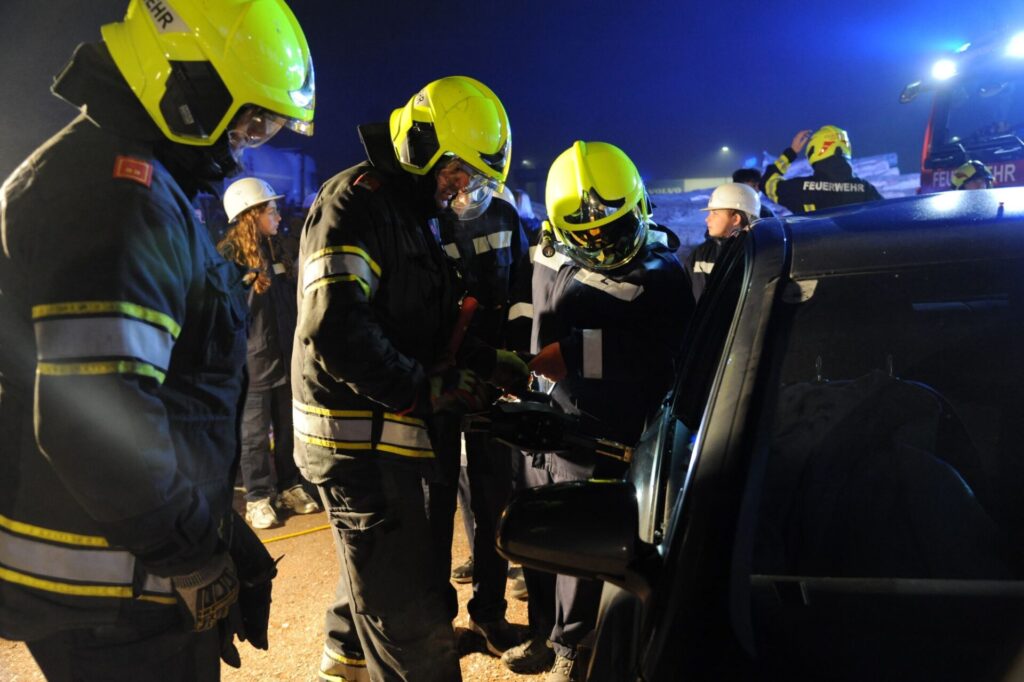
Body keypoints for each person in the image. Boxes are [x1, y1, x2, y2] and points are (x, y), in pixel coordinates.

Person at [0, 1, 315, 679]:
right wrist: (194, 554)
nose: (246, 139)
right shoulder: (119, 197)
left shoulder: (114, 173)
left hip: (118, 570)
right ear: (186, 88)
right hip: (117, 591)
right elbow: (100, 422)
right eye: (247, 118)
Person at [293, 75, 529, 682]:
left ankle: (345, 662)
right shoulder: (358, 203)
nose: (465, 191)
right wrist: (423, 391)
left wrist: (480, 358)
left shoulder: (412, 211)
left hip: (387, 436)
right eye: (459, 174)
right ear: (422, 147)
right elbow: (337, 327)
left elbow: (425, 318)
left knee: (380, 576)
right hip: (356, 445)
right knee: (411, 617)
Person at [501, 141, 694, 682]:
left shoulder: (661, 269)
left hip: (604, 434)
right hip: (544, 422)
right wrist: (515, 357)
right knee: (539, 537)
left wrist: (579, 356)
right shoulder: (545, 250)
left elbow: (670, 355)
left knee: (588, 548)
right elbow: (525, 310)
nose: (602, 246)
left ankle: (576, 646)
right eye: (585, 236)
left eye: (611, 229)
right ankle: (545, 633)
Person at [438, 186, 530, 654]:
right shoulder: (426, 218)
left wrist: (511, 358)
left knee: (493, 500)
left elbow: (523, 291)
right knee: (435, 506)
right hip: (438, 382)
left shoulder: (504, 215)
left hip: (492, 381)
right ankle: (435, 624)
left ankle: (489, 614)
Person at [218, 177, 320, 529]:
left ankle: (290, 486)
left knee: (289, 427)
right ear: (251, 214)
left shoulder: (279, 248)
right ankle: (258, 497)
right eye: (271, 209)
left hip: (286, 353)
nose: (278, 215)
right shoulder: (230, 258)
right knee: (254, 434)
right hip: (253, 360)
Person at [761, 126, 882, 214]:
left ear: (814, 150)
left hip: (815, 248)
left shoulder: (802, 188)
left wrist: (791, 153)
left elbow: (767, 184)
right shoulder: (866, 189)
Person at [685, 182, 762, 303]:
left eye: (714, 213)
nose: (707, 219)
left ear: (736, 219)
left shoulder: (759, 255)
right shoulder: (699, 255)